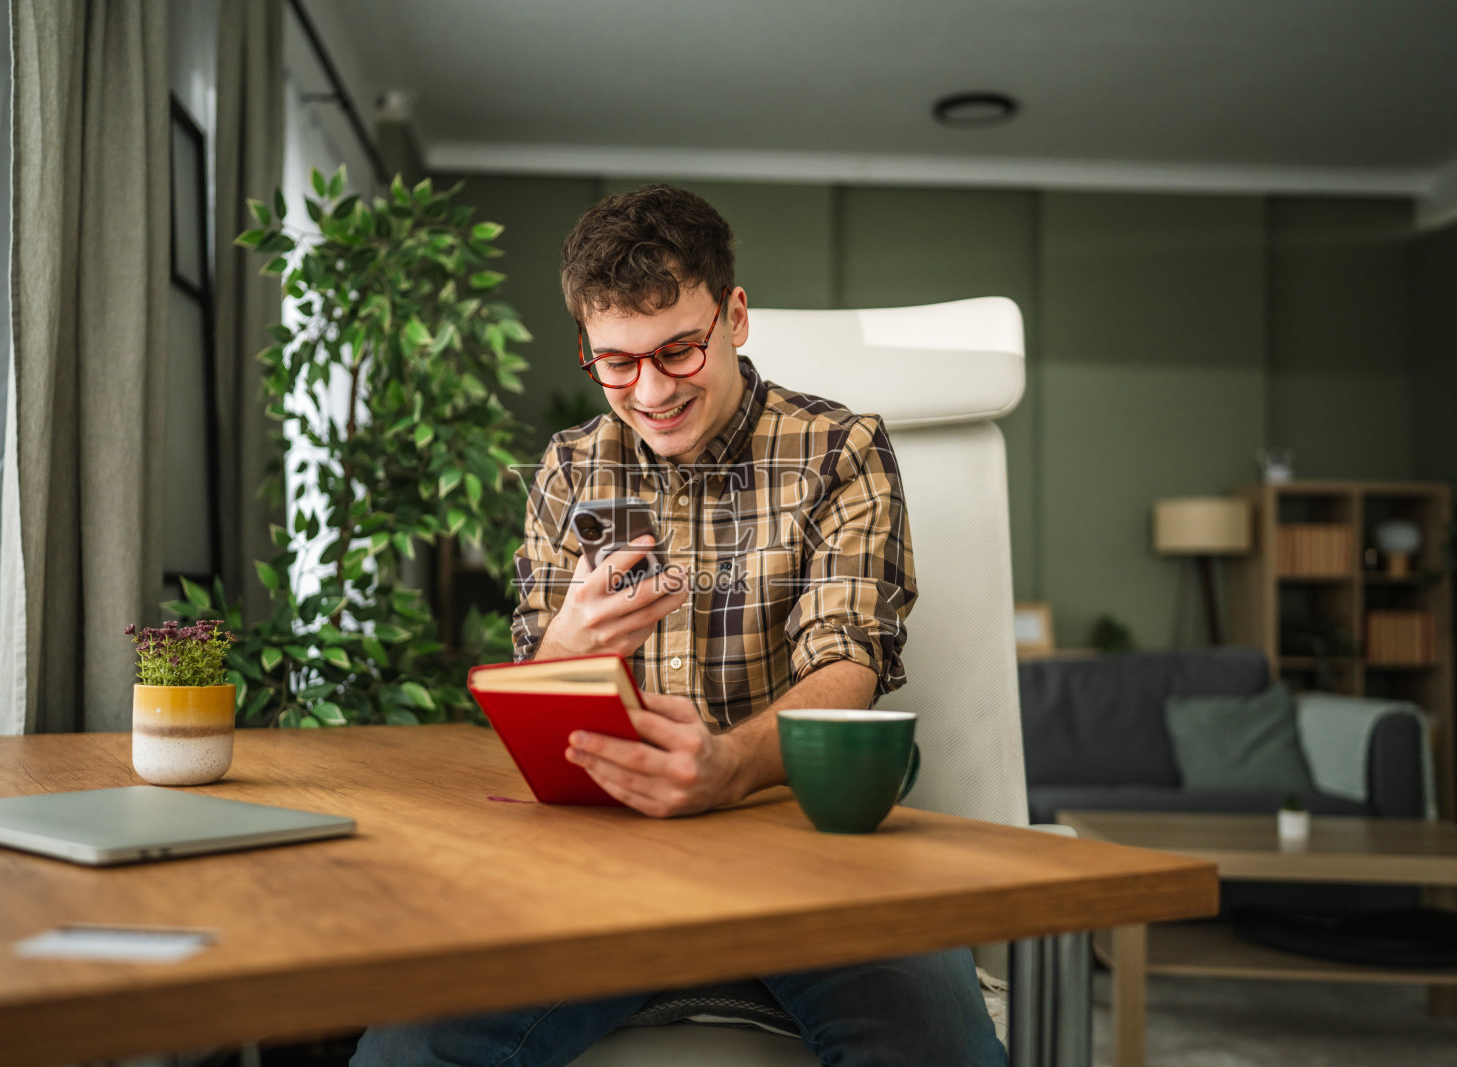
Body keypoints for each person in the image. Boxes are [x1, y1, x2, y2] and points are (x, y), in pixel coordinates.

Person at [352, 185, 1004, 1066]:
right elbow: (532, 694)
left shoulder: (840, 451)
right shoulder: (569, 467)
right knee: (409, 1046)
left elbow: (849, 662)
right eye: (616, 362)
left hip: (808, 844)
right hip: (603, 859)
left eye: (679, 350)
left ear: (735, 317)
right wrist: (567, 652)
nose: (651, 391)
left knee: (937, 1049)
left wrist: (729, 766)